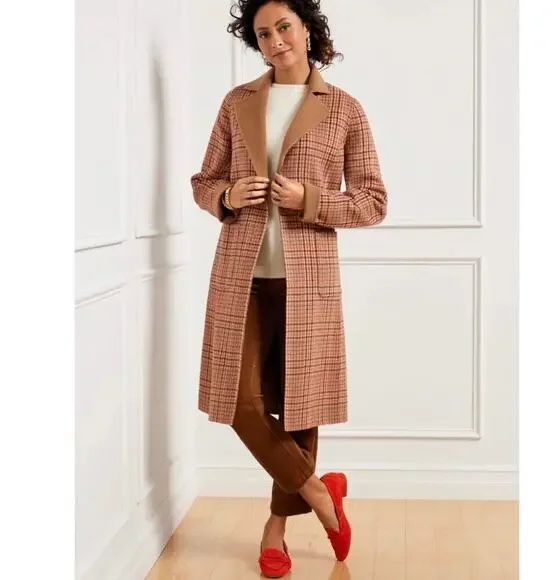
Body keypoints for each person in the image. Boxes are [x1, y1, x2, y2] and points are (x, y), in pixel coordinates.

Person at [191, 0, 387, 576]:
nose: (275, 41)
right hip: (241, 276)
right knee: (240, 403)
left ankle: (276, 526)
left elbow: (373, 201)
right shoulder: (237, 103)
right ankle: (322, 495)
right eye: (262, 33)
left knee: (300, 406)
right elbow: (204, 180)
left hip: (308, 278)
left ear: (307, 29)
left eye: (284, 28)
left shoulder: (344, 108)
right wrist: (226, 196)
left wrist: (311, 199)